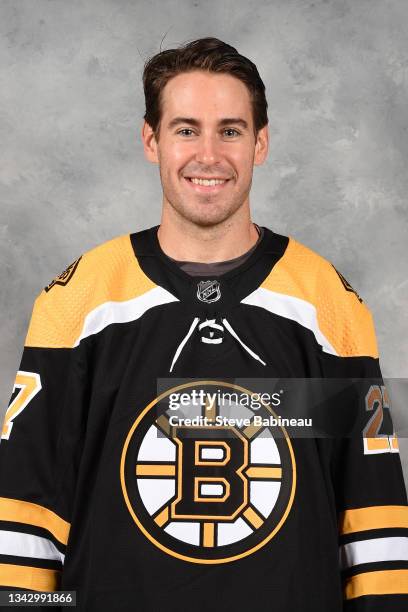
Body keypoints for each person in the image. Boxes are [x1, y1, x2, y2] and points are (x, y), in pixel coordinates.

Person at [0, 37, 407, 611]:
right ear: (151, 140)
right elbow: (26, 512)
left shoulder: (327, 303)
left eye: (231, 130)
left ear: (260, 143)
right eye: (186, 129)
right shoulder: (80, 300)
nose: (208, 155)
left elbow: (372, 519)